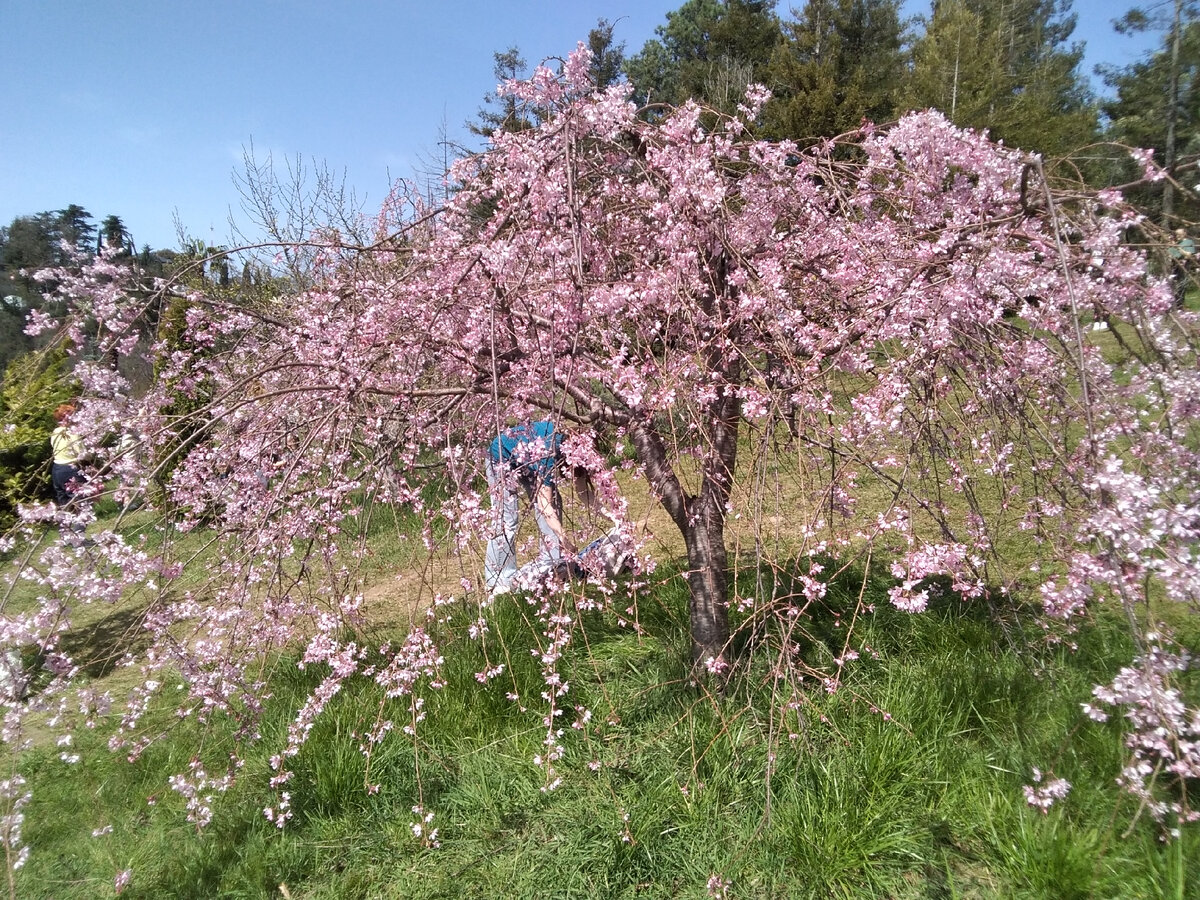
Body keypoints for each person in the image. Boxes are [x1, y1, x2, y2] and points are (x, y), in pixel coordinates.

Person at [484, 420, 572, 597]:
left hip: (526, 458)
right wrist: (564, 538)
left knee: (554, 499)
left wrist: (612, 517)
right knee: (506, 519)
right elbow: (544, 505)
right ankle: (498, 582)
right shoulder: (547, 455)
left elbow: (580, 491)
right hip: (500, 457)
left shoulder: (565, 446)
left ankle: (552, 564)